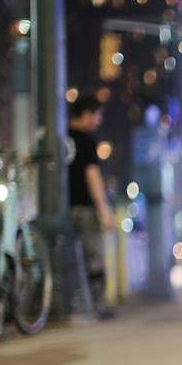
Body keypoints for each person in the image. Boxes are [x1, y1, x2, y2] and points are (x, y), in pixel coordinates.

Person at [66, 93, 115, 318]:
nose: (99, 121)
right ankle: (98, 304)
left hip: (62, 209)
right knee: (93, 256)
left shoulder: (59, 137)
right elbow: (92, 175)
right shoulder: (86, 141)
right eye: (97, 116)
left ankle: (73, 303)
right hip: (85, 207)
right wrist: (104, 209)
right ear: (86, 114)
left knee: (68, 257)